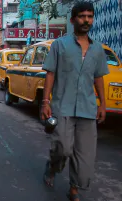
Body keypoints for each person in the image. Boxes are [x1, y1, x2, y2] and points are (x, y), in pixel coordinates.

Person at [41, 2, 109, 201]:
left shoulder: (97, 49)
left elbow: (98, 78)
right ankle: (52, 167)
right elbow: (50, 73)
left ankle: (74, 188)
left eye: (90, 16)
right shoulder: (59, 45)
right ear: (73, 20)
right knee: (62, 147)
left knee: (84, 155)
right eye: (82, 16)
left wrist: (102, 104)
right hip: (63, 106)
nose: (86, 20)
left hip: (87, 109)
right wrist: (45, 101)